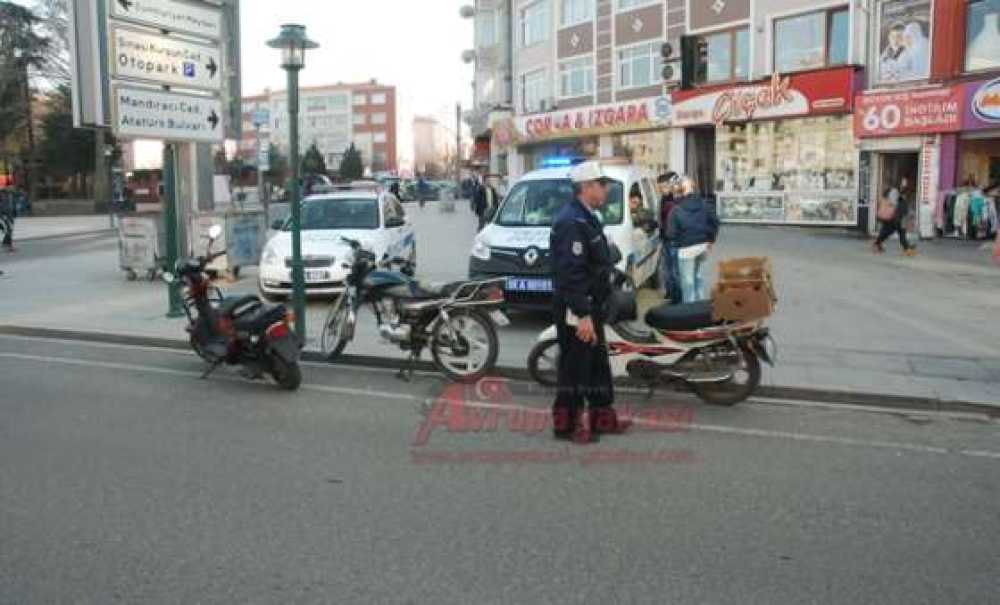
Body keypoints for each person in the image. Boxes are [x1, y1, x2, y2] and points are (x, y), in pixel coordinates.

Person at [550, 161, 631, 443]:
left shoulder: (587, 217)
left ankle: (602, 419)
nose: (606, 189)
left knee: (597, 366)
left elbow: (596, 261)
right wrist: (582, 314)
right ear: (585, 187)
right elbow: (570, 273)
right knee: (575, 369)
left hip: (592, 304)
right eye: (601, 183)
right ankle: (566, 426)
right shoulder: (571, 221)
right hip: (577, 307)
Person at [668, 176, 719, 303]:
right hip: (703, 246)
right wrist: (711, 240)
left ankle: (689, 310)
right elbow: (715, 222)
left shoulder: (676, 208)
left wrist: (676, 241)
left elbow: (671, 233)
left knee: (687, 282)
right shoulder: (704, 203)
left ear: (680, 190)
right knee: (698, 276)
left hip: (686, 249)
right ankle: (701, 304)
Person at [873, 177, 917, 256]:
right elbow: (892, 203)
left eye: (905, 183)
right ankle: (906, 249)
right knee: (896, 231)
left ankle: (878, 244)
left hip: (898, 216)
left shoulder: (898, 192)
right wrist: (900, 197)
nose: (904, 185)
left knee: (890, 231)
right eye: (903, 183)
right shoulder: (894, 191)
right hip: (896, 216)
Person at [658, 172, 682, 303]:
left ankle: (677, 297)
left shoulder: (676, 200)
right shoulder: (664, 199)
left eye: (662, 187)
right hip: (665, 237)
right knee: (667, 268)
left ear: (670, 185)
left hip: (674, 239)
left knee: (674, 269)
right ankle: (670, 292)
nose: (660, 190)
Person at [0, 189, 16, 253]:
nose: (4, 196)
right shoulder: (2, 202)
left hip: (9, 218)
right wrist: (3, 217)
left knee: (9, 230)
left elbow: (10, 209)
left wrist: (12, 218)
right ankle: (8, 245)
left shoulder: (7, 200)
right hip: (4, 218)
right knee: (9, 230)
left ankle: (6, 244)